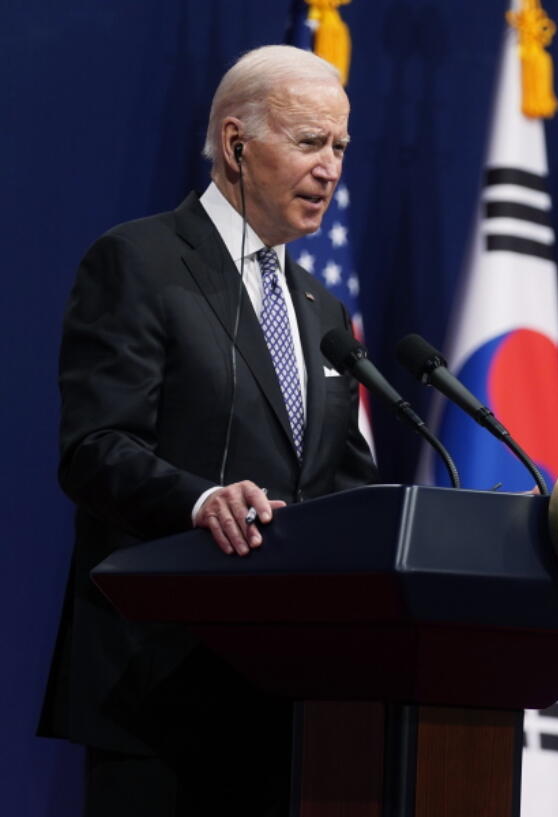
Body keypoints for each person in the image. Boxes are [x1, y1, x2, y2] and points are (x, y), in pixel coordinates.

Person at [38, 45, 377, 816]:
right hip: (158, 686)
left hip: (289, 698)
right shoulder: (139, 261)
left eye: (340, 148)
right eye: (308, 142)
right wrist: (200, 502)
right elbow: (94, 450)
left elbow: (341, 484)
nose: (330, 168)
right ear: (235, 143)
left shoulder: (322, 310)